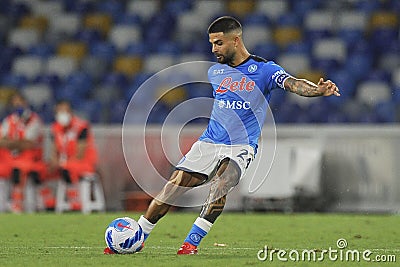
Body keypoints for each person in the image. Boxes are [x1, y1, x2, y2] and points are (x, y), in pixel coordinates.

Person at [104, 16, 340, 255]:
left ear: (235, 41)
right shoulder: (216, 71)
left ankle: (190, 245)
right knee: (174, 186)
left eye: (218, 43)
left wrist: (316, 90)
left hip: (240, 146)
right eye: (212, 43)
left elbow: (292, 83)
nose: (213, 49)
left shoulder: (265, 70)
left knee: (221, 183)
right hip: (209, 142)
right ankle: (139, 236)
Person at [0, 92, 48, 212]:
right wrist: (17, 143)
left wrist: (10, 143)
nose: (17, 106)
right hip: (10, 160)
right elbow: (2, 140)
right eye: (15, 103)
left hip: (31, 160)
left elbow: (29, 144)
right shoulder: (9, 120)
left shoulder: (34, 121)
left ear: (25, 103)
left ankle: (25, 207)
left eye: (20, 102)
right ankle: (3, 207)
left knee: (20, 170)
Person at [50, 100, 98, 210]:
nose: (62, 114)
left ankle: (76, 200)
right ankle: (46, 203)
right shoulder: (56, 128)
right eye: (59, 111)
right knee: (45, 170)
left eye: (64, 111)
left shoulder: (81, 127)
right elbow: (54, 150)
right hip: (65, 162)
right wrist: (54, 161)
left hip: (84, 163)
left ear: (70, 112)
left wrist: (61, 163)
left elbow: (80, 154)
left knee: (67, 169)